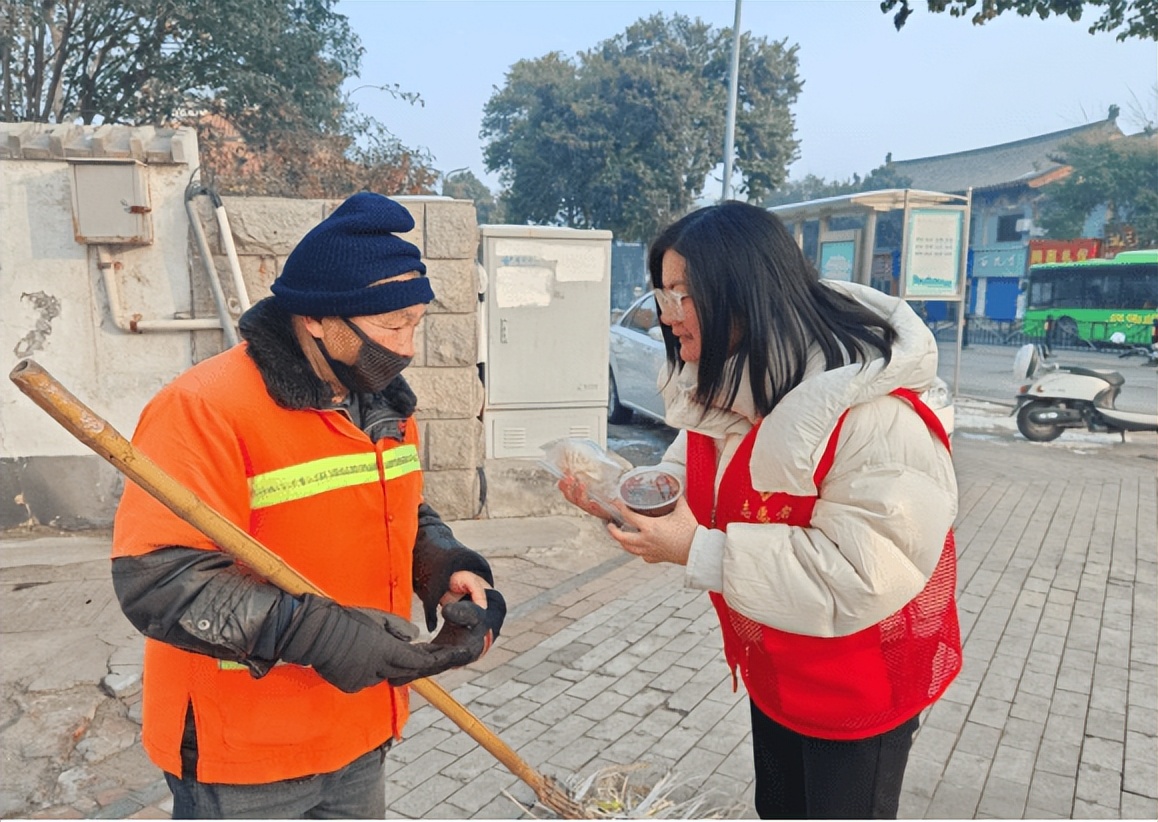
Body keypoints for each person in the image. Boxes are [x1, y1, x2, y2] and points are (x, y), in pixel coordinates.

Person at [560, 201, 961, 819]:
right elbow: (684, 478)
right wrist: (621, 496)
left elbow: (863, 570)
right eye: (664, 295)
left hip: (854, 688)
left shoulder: (876, 415)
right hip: (778, 666)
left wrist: (697, 549)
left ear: (744, 293)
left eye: (683, 296)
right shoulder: (729, 385)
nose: (667, 316)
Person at [111, 192, 506, 819]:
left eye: (416, 322)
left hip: (359, 728)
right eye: (391, 325)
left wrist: (445, 567)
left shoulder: (382, 404)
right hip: (244, 754)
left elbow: (399, 513)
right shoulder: (205, 407)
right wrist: (321, 634)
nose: (407, 346)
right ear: (318, 318)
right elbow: (159, 580)